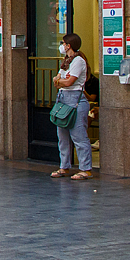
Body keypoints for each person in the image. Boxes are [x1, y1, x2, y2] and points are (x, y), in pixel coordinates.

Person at [50, 33, 93, 180]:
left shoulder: (78, 61)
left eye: (63, 43)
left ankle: (85, 169)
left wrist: (61, 80)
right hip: (63, 99)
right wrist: (61, 80)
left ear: (69, 45)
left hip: (75, 100)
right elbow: (56, 81)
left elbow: (69, 82)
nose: (61, 46)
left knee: (79, 136)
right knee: (62, 136)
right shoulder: (66, 61)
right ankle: (64, 166)